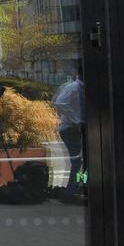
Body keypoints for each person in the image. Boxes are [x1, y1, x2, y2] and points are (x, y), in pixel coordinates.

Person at [53, 66, 85, 195]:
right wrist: (76, 120)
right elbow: (60, 103)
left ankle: (78, 185)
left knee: (81, 161)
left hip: (75, 128)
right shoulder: (74, 87)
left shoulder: (79, 88)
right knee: (78, 161)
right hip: (71, 129)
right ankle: (72, 189)